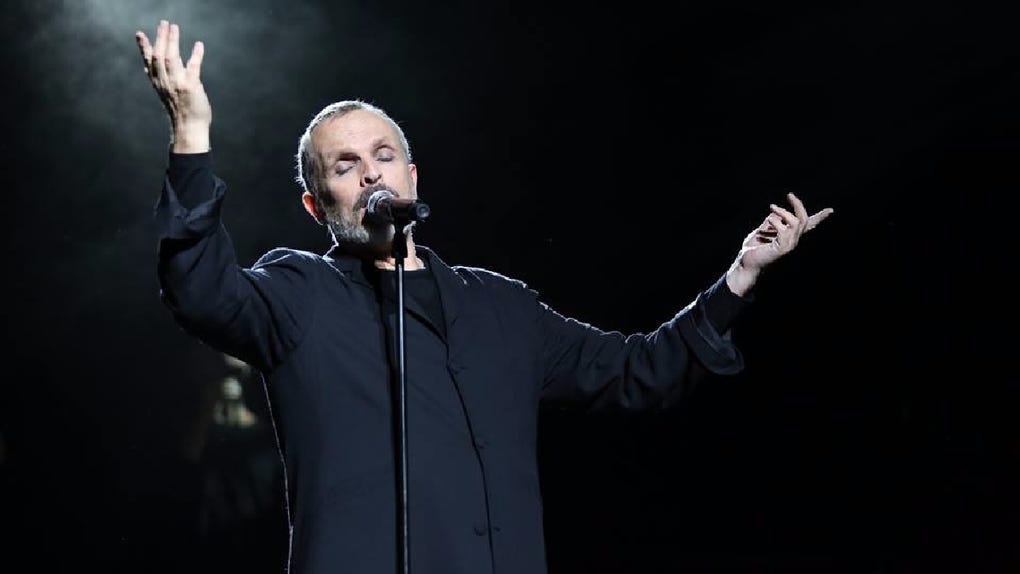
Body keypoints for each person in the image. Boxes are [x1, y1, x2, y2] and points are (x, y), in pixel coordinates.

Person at [135, 19, 834, 574]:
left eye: (383, 156)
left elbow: (640, 369)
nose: (371, 174)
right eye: (345, 167)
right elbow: (202, 293)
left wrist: (740, 276)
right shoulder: (300, 294)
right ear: (318, 207)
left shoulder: (502, 308)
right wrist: (190, 134)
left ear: (411, 177)